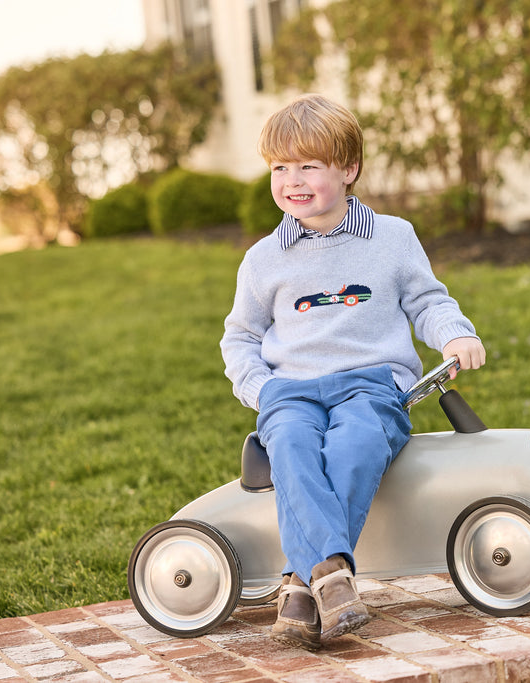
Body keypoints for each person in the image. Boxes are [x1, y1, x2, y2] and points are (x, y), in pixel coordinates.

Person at [220, 94, 486, 650]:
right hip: (290, 390)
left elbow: (427, 301)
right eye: (279, 167)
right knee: (292, 447)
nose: (292, 180)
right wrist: (263, 390)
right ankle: (333, 577)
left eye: (308, 166)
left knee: (354, 446)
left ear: (348, 169)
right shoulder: (263, 258)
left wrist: (455, 334)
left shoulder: (391, 238)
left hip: (371, 383)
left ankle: (300, 584)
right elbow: (240, 337)